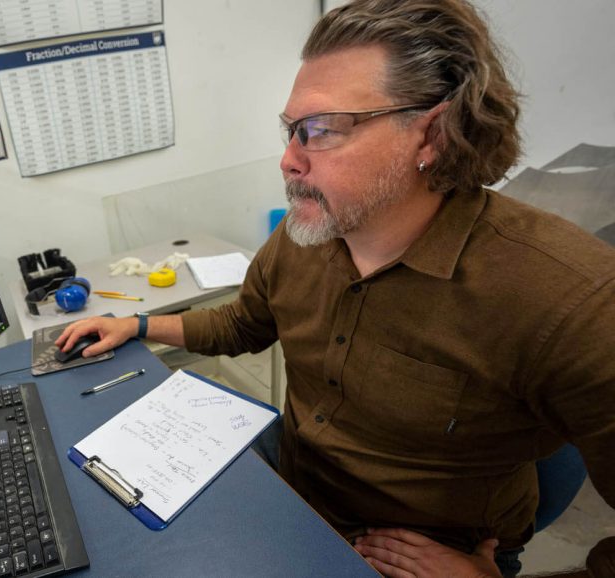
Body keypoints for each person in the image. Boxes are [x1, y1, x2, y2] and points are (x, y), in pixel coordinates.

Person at [56, 1, 615, 576]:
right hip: (300, 495)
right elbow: (243, 322)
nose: (288, 160)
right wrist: (139, 325)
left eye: (321, 130)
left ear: (434, 136)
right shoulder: (310, 233)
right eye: (292, 129)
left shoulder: (570, 299)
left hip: (424, 555)